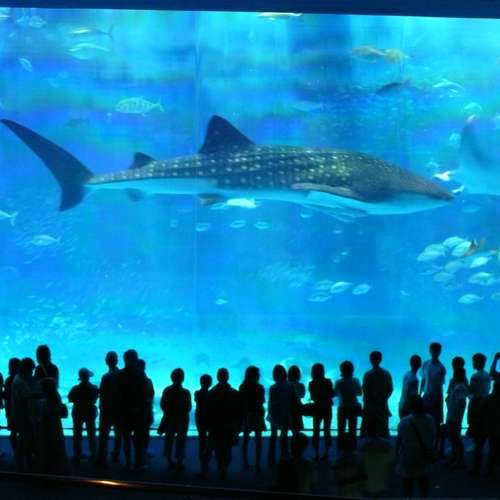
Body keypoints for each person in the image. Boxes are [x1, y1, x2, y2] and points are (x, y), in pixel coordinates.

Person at [397, 395, 436, 498]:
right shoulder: (430, 419)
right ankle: (423, 497)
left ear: (410, 407)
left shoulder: (404, 421)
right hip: (423, 455)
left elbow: (400, 439)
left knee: (407, 479)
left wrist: (397, 455)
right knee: (423, 478)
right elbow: (433, 436)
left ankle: (408, 497)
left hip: (408, 455)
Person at [205, 368, 242, 478]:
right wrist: (238, 425)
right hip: (229, 425)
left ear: (217, 377)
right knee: (227, 447)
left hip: (215, 424)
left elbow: (208, 410)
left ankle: (218, 466)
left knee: (216, 447)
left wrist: (207, 424)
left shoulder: (212, 392)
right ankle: (224, 467)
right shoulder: (234, 393)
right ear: (228, 377)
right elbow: (238, 410)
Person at [116, 349, 150, 470]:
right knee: (138, 440)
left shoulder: (119, 374)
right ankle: (138, 463)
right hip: (138, 412)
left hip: (124, 412)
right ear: (135, 359)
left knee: (126, 438)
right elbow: (145, 394)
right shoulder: (141, 374)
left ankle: (128, 462)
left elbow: (116, 395)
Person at [159, 368, 191, 472]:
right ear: (183, 378)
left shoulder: (167, 390)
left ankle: (170, 461)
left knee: (169, 440)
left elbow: (163, 405)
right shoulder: (186, 392)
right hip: (182, 420)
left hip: (170, 419)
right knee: (181, 441)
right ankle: (179, 462)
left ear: (171, 378)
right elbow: (188, 407)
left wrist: (169, 413)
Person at [36, 378, 68, 474]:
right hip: (55, 425)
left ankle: (48, 469)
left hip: (47, 427)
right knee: (56, 446)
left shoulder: (45, 401)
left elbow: (47, 413)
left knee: (47, 446)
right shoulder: (56, 397)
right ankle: (58, 468)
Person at [67, 368, 99, 464]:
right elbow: (95, 398)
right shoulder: (94, 388)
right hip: (90, 411)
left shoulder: (75, 388)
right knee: (91, 433)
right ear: (88, 377)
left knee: (77, 433)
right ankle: (93, 453)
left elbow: (70, 399)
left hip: (78, 411)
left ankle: (77, 454)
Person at [96, 351, 121, 467]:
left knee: (104, 435)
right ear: (117, 360)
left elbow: (102, 394)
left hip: (106, 410)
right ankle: (115, 455)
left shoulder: (106, 376)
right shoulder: (121, 375)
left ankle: (102, 457)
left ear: (106, 361)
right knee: (118, 434)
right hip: (118, 409)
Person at [468, 353, 491, 475]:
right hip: (485, 406)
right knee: (481, 435)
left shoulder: (475, 376)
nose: (473, 363)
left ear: (478, 362)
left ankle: (476, 468)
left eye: (474, 361)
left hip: (476, 405)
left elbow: (471, 392)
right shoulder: (487, 375)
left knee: (477, 435)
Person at [239, 365, 266, 471]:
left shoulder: (242, 387)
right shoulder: (260, 387)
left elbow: (241, 402)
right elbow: (262, 401)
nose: (259, 375)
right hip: (257, 414)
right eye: (258, 374)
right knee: (258, 439)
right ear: (256, 375)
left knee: (245, 439)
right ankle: (257, 463)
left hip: (247, 415)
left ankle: (245, 462)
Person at [11, 357, 36, 471]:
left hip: (21, 414)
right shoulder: (19, 382)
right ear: (26, 368)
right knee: (25, 439)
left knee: (23, 439)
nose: (32, 372)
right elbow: (24, 398)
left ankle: (21, 463)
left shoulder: (19, 379)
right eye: (31, 370)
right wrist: (37, 395)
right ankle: (23, 464)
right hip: (23, 415)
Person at [361, 351, 393, 439]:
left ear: (370, 360)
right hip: (382, 406)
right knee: (383, 431)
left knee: (369, 433)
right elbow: (390, 389)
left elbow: (365, 390)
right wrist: (383, 399)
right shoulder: (386, 374)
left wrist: (373, 400)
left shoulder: (367, 374)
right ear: (380, 359)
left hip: (369, 407)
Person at [420, 342, 446, 446]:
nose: (435, 352)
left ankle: (436, 444)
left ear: (440, 352)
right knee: (424, 419)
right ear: (430, 351)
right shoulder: (425, 364)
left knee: (436, 421)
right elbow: (423, 379)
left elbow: (440, 385)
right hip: (426, 395)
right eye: (433, 350)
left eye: (437, 351)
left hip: (436, 396)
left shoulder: (441, 367)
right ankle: (425, 442)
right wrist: (420, 394)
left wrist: (439, 400)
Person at [268, 364, 294, 465]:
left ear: (274, 375)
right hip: (286, 413)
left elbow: (271, 403)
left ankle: (271, 458)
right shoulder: (290, 386)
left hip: (275, 414)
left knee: (273, 435)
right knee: (284, 435)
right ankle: (284, 456)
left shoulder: (273, 387)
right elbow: (292, 401)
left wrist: (270, 414)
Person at [308, 362, 335, 461]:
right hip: (327, 408)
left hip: (317, 408)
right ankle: (326, 453)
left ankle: (316, 454)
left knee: (316, 431)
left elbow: (312, 397)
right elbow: (332, 394)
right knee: (327, 430)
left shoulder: (312, 383)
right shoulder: (328, 381)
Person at [334, 360, 362, 453]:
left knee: (341, 429)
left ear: (341, 370)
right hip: (353, 407)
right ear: (352, 370)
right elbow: (359, 393)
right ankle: (353, 449)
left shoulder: (338, 382)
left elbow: (335, 393)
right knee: (352, 429)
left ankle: (340, 448)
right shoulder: (356, 380)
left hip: (342, 407)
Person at [445, 363, 469, 468]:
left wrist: (453, 416)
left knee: (456, 439)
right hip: (455, 417)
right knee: (454, 438)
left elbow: (461, 402)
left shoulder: (459, 388)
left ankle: (459, 460)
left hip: (454, 418)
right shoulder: (461, 387)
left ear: (455, 376)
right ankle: (456, 458)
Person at [482, 379, 500, 477]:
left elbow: (482, 412)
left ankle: (491, 469)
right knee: (495, 448)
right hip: (495, 428)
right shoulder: (489, 398)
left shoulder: (488, 398)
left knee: (492, 448)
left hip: (491, 428)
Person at [138, 359, 155, 463]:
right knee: (144, 433)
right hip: (145, 411)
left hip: (140, 411)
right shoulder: (147, 380)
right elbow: (151, 394)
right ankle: (142, 452)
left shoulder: (146, 380)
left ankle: (141, 452)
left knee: (142, 433)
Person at [194, 374, 212, 472]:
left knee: (202, 440)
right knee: (209, 440)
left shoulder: (197, 393)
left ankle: (203, 463)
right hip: (208, 418)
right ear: (210, 383)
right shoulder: (211, 394)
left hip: (200, 418)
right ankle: (206, 461)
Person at [4, 358, 20, 455]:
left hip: (10, 410)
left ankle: (16, 452)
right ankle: (19, 453)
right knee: (19, 432)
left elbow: (6, 396)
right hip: (17, 410)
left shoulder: (8, 380)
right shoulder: (18, 379)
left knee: (13, 432)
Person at [287, 365, 305, 436]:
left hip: (287, 408)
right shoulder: (301, 385)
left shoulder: (286, 385)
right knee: (296, 430)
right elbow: (302, 395)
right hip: (297, 408)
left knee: (285, 429)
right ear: (299, 375)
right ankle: (297, 441)